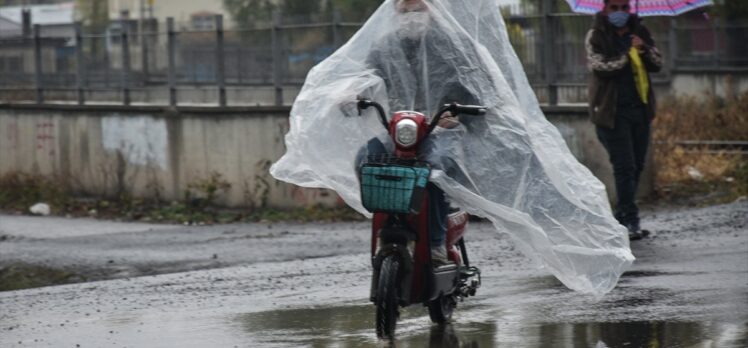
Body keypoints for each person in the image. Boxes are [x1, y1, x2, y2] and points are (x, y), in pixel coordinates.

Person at [356, 0, 486, 264]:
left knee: (435, 167)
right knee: (367, 159)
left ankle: (437, 240)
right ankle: (388, 223)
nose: (411, 17)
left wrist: (458, 115)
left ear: (433, 9)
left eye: (418, 10)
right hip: (400, 131)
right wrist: (351, 96)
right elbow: (366, 79)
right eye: (405, 11)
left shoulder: (455, 46)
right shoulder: (385, 47)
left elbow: (480, 89)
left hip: (441, 130)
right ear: (395, 12)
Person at [585, 0, 663, 240]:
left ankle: (622, 215)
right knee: (624, 166)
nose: (619, 13)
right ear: (605, 9)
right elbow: (600, 66)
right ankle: (629, 219)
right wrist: (625, 55)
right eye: (614, 7)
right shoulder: (596, 35)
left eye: (624, 8)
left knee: (637, 165)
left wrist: (643, 49)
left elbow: (658, 63)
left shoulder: (640, 32)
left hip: (639, 110)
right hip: (612, 112)